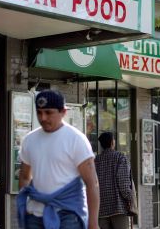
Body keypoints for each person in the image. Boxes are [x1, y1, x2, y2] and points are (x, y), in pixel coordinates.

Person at [17, 90, 99, 229]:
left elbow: (92, 183)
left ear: (63, 112)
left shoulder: (76, 139)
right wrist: (23, 208)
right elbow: (24, 177)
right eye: (39, 112)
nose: (43, 118)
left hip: (68, 213)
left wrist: (93, 223)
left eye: (48, 112)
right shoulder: (29, 140)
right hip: (35, 214)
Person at [95, 132, 133, 229]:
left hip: (101, 208)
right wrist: (129, 198)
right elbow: (123, 183)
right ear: (112, 142)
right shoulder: (120, 157)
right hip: (118, 207)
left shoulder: (95, 160)